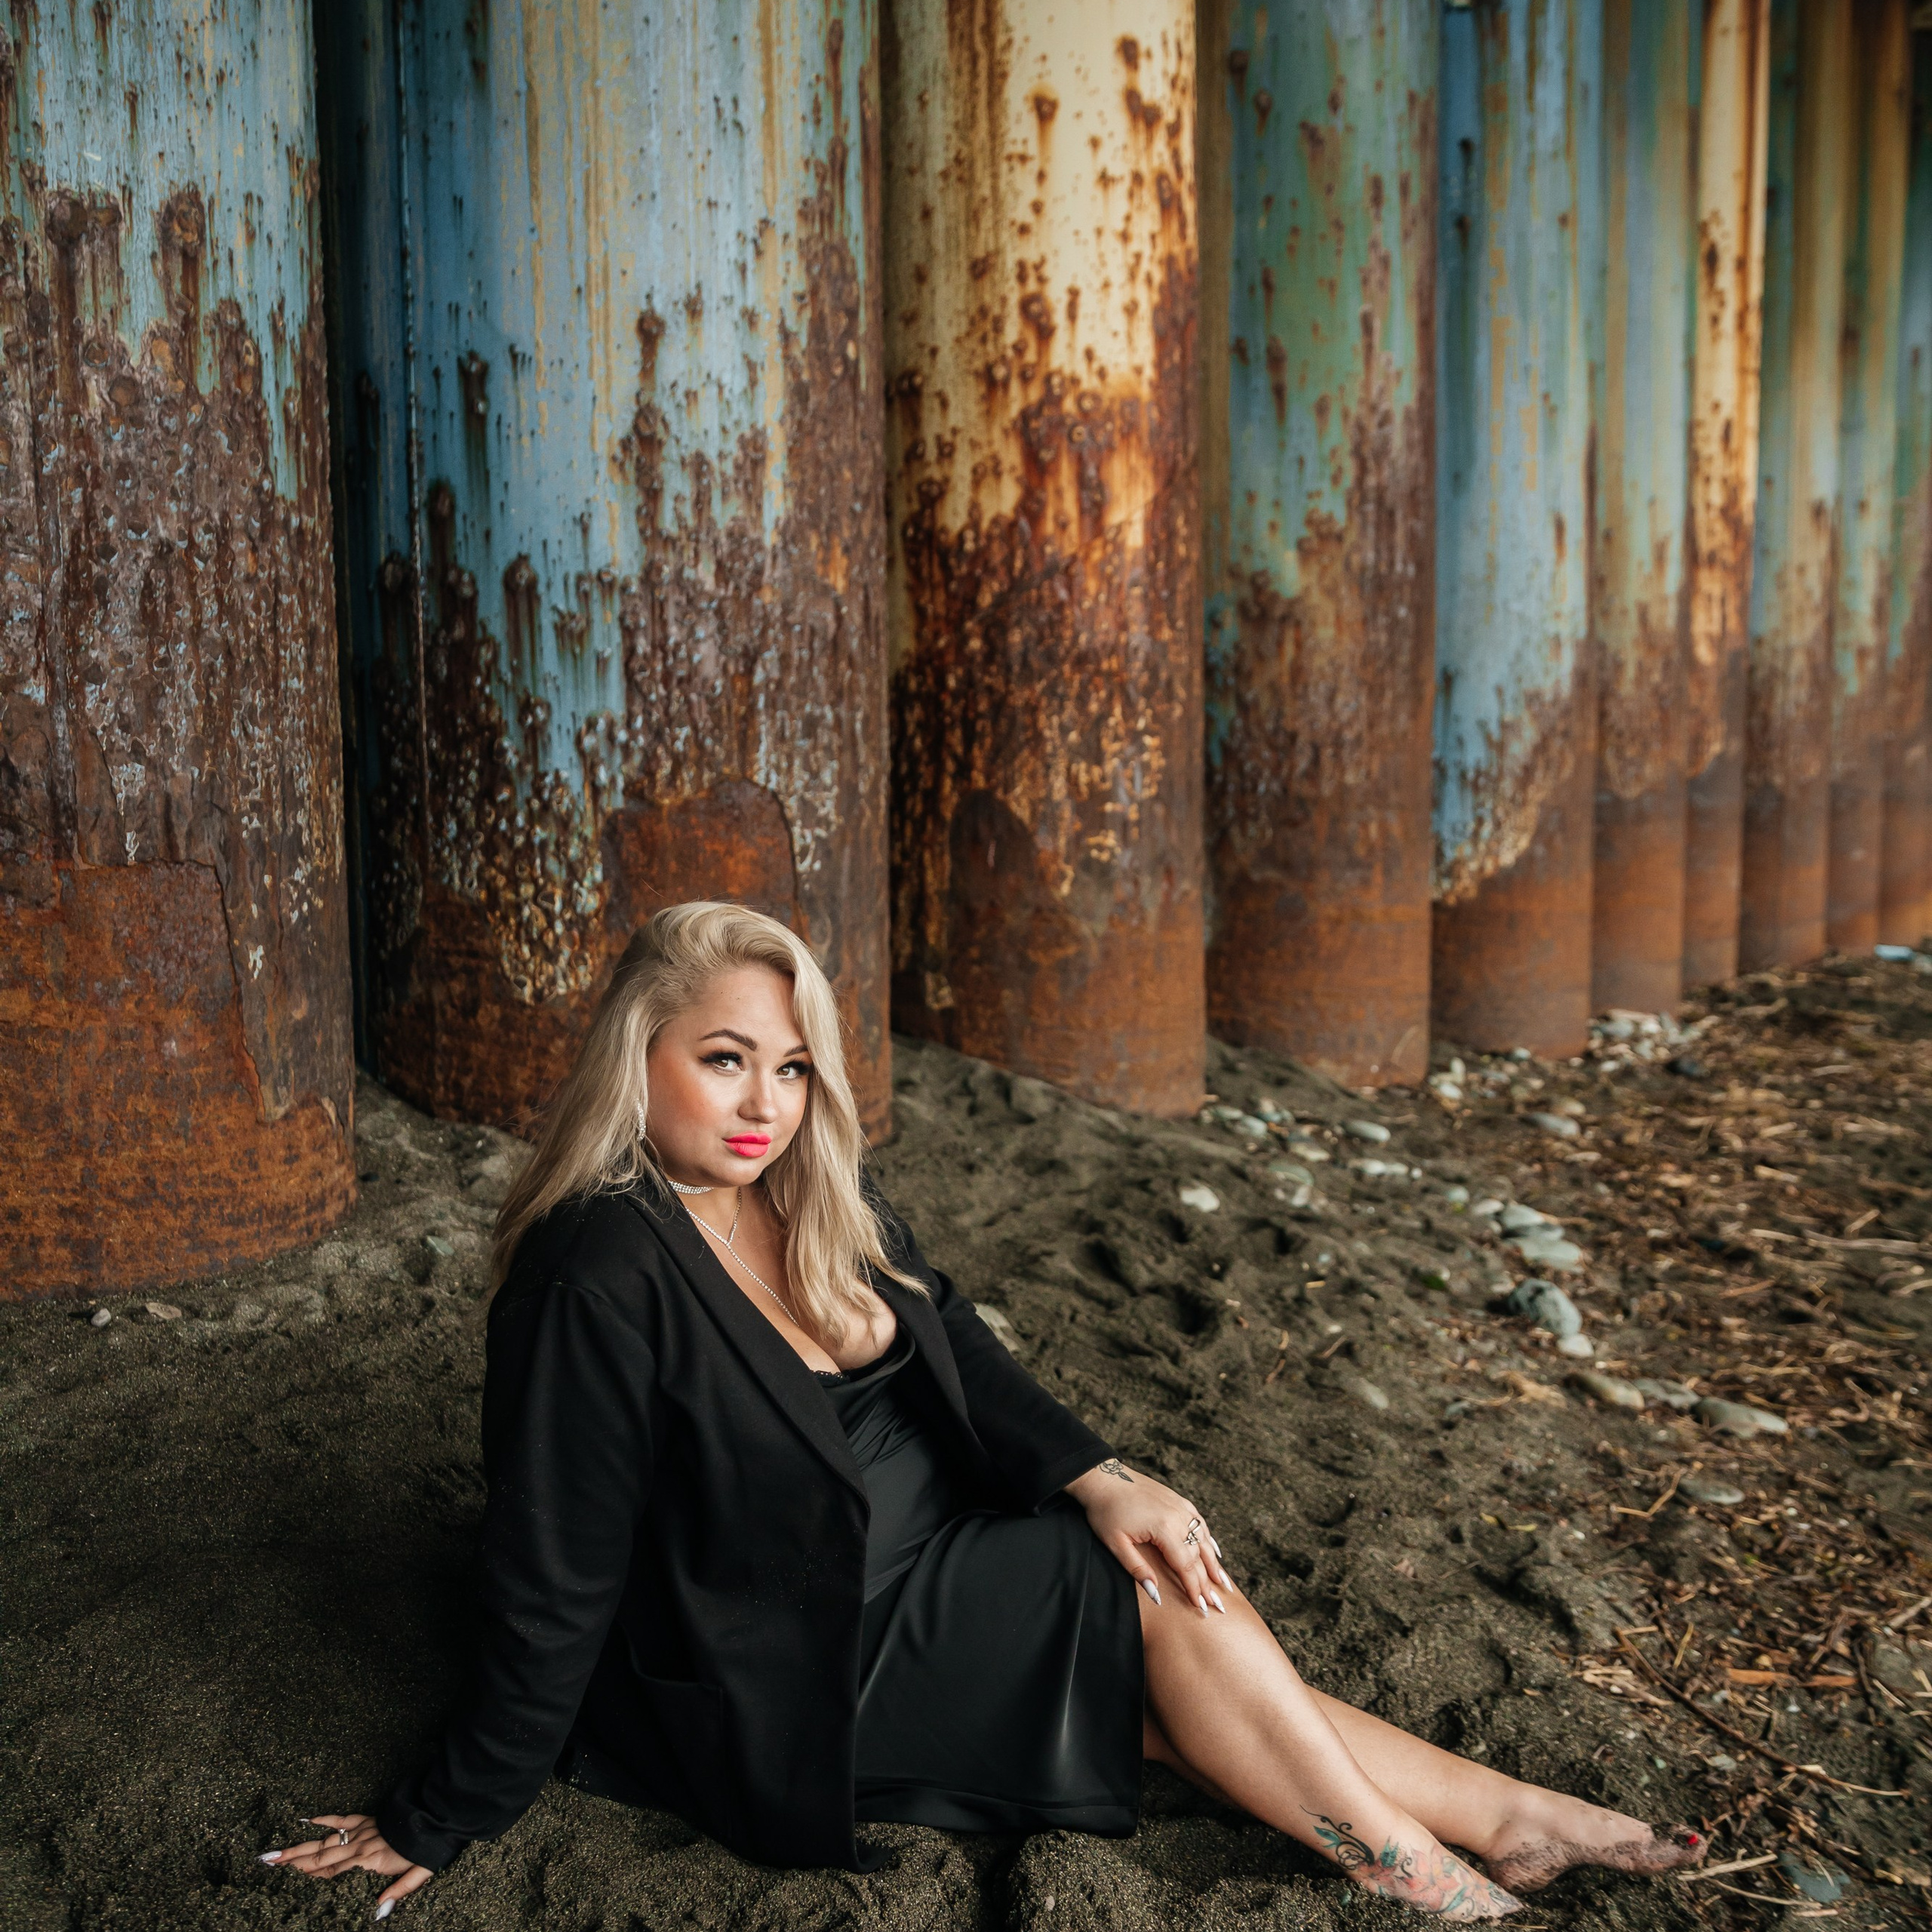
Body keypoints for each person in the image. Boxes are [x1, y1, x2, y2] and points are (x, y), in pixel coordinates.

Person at [261, 902, 1706, 1922]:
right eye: (724, 1058)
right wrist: (447, 1809)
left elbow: (951, 1332)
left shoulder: (809, 1187)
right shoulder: (595, 1270)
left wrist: (1101, 1473)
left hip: (943, 1552)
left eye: (792, 1065)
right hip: (808, 1645)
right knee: (1151, 1619)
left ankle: (1506, 1820)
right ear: (637, 1053)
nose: (765, 1103)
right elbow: (554, 1569)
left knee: (1157, 1604)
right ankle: (1428, 1877)